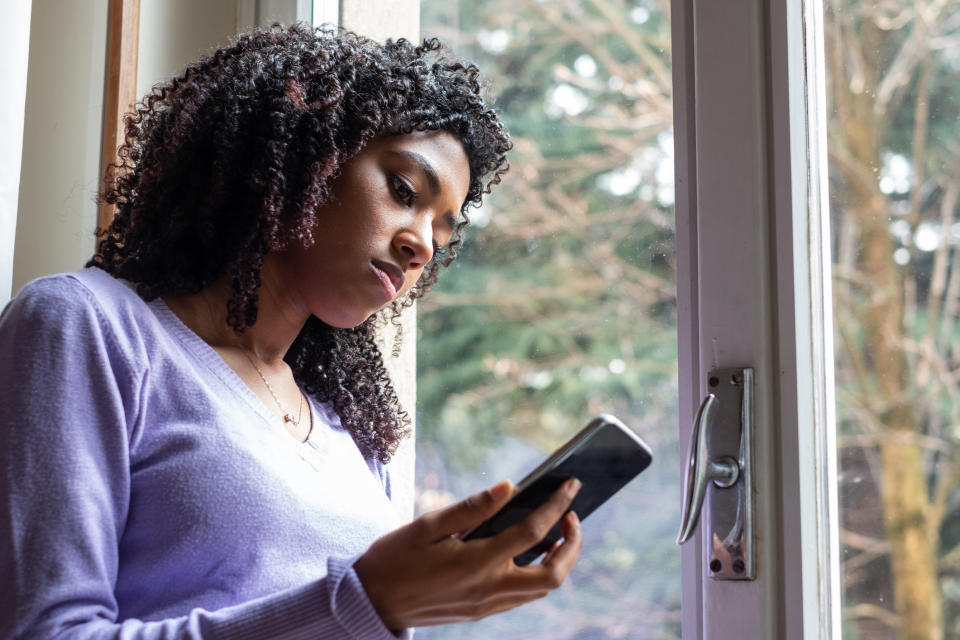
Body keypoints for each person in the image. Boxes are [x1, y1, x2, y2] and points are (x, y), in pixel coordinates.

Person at [0, 23, 584, 639]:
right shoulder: (86, 327)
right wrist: (364, 602)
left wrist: (418, 599)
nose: (419, 246)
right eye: (403, 190)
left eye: (440, 235)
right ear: (308, 155)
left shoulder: (344, 429)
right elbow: (47, 632)